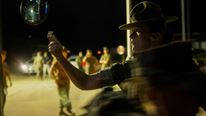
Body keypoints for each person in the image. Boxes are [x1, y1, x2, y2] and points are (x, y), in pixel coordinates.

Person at [48, 1, 206, 116]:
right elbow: (85, 82)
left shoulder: (185, 68)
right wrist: (59, 57)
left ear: (155, 36)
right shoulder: (128, 68)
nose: (130, 37)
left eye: (136, 32)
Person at [50, 46, 75, 116]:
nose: (66, 54)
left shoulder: (66, 61)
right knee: (64, 96)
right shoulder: (57, 61)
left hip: (67, 81)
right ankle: (67, 109)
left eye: (66, 53)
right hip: (60, 81)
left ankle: (62, 110)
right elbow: (51, 72)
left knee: (65, 96)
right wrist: (56, 79)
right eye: (64, 53)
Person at [1, 50, 12, 116]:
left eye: (4, 55)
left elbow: (8, 73)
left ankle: (2, 112)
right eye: (3, 55)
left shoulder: (5, 64)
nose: (4, 57)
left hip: (4, 86)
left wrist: (10, 81)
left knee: (4, 100)